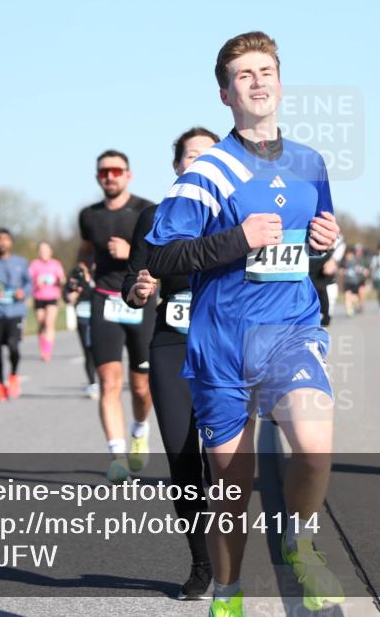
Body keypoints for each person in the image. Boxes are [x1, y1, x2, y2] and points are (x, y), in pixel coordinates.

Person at [144, 31, 343, 616]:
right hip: (222, 345)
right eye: (243, 75)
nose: (257, 82)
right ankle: (227, 594)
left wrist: (328, 245)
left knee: (314, 441)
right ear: (226, 94)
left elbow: (316, 245)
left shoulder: (311, 162)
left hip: (290, 330)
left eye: (266, 71)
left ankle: (301, 540)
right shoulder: (209, 171)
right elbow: (162, 255)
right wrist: (237, 239)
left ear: (280, 83)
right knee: (231, 491)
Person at [122, 126, 221, 601]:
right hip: (171, 344)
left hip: (225, 347)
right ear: (177, 166)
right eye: (190, 156)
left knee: (226, 461)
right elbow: (132, 282)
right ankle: (201, 564)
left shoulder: (236, 213)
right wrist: (139, 289)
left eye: (210, 155)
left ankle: (232, 554)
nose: (199, 163)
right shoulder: (154, 216)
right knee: (184, 458)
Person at [77, 149, 155, 482]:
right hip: (104, 300)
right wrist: (79, 271)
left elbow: (161, 254)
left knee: (140, 388)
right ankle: (118, 455)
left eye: (116, 170)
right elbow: (85, 250)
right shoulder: (88, 215)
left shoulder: (146, 211)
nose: (110, 176)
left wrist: (129, 253)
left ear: (128, 175)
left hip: (140, 301)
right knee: (109, 382)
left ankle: (139, 430)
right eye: (104, 172)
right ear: (98, 177)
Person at [0, 229, 31, 401]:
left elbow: (29, 283)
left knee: (14, 346)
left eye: (6, 239)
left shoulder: (21, 262)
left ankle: (13, 375)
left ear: (11, 242)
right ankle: (1, 384)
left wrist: (24, 292)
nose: (2, 243)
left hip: (15, 312)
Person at [65, 262, 99, 398]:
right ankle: (92, 384)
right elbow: (66, 291)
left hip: (100, 317)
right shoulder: (75, 275)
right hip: (83, 316)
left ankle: (105, 380)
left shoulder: (100, 274)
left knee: (99, 350)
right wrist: (69, 296)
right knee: (87, 350)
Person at [29, 241, 66, 361]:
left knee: (49, 323)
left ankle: (47, 350)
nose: (44, 252)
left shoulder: (56, 264)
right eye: (41, 250)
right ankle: (42, 342)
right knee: (41, 323)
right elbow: (27, 281)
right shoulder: (34, 265)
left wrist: (60, 280)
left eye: (46, 250)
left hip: (52, 297)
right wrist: (36, 282)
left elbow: (62, 279)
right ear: (39, 252)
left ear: (50, 251)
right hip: (39, 297)